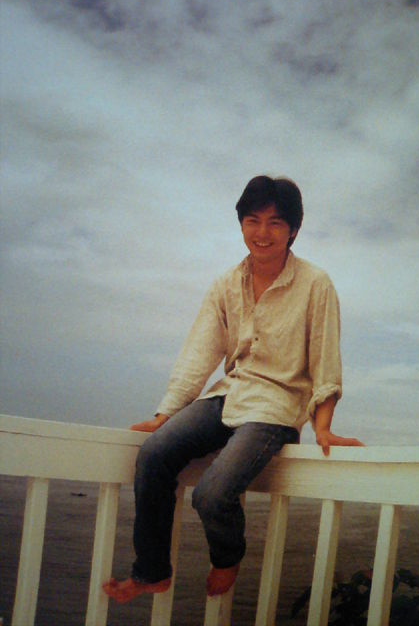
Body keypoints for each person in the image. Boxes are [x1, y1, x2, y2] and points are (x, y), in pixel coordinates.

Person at [103, 175, 363, 604]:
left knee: (213, 493)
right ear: (241, 224)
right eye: (253, 220)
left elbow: (324, 360)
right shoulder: (226, 284)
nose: (263, 232)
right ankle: (151, 572)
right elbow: (199, 352)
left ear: (293, 230)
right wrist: (165, 415)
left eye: (276, 223)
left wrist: (323, 427)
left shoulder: (316, 284)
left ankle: (227, 557)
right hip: (228, 394)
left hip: (276, 407)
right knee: (153, 455)